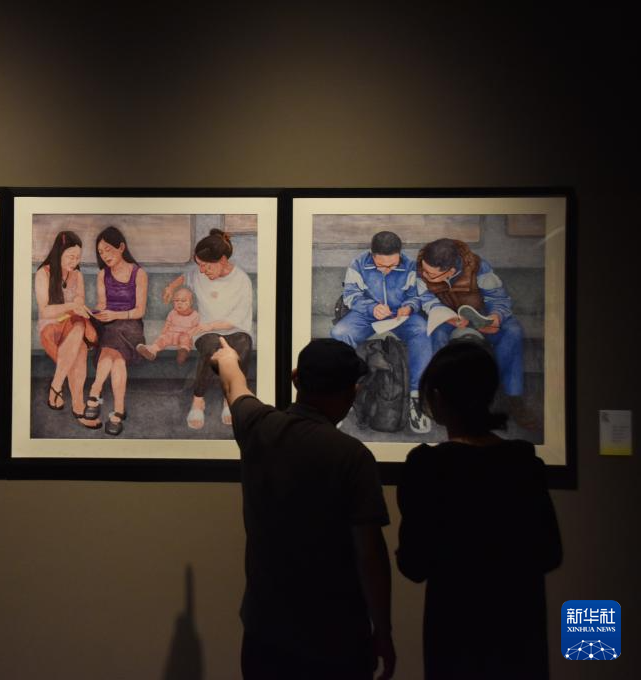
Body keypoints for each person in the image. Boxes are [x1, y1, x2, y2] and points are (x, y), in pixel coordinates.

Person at [212, 336, 396, 680]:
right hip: (335, 636)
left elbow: (233, 384)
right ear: (352, 393)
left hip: (265, 630)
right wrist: (383, 630)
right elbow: (370, 553)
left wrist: (226, 357)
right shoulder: (352, 456)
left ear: (296, 378)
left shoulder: (257, 426)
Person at [396, 342, 561, 680]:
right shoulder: (523, 463)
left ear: (437, 398)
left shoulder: (428, 467)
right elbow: (549, 554)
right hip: (519, 629)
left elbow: (414, 564)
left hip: (456, 631)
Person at [415, 237, 537, 429]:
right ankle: (437, 395)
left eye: (431, 274)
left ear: (450, 271)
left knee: (512, 331)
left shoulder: (479, 268)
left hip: (481, 315)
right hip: (447, 318)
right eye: (424, 270)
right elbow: (426, 299)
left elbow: (498, 299)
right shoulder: (422, 267)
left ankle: (509, 395)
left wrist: (495, 317)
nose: (424, 275)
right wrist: (444, 314)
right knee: (436, 335)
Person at [331, 230, 433, 434]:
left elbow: (417, 295)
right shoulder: (358, 264)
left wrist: (409, 307)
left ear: (400, 254)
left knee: (423, 330)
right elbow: (350, 295)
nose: (387, 270)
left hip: (400, 315)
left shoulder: (411, 265)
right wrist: (371, 308)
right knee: (339, 332)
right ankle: (343, 395)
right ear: (372, 254)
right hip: (367, 315)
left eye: (393, 265)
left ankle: (416, 398)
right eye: (381, 266)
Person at [162, 229, 253, 430]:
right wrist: (170, 287)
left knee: (243, 345)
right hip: (205, 332)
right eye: (199, 265)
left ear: (222, 260)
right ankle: (198, 400)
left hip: (234, 328)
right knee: (212, 347)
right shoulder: (199, 274)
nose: (202, 271)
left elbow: (237, 318)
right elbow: (185, 277)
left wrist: (210, 325)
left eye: (206, 265)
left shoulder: (241, 280)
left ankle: (230, 398)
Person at [83, 226, 147, 436]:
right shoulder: (103, 274)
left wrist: (115, 315)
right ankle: (118, 411)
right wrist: (95, 313)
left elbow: (140, 311)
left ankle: (95, 391)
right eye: (101, 252)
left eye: (108, 250)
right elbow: (102, 304)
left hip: (131, 325)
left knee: (112, 344)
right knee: (116, 358)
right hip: (108, 324)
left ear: (121, 247)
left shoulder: (139, 273)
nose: (104, 255)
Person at [33, 230, 99, 429]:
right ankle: (78, 408)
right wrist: (71, 306)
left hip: (72, 325)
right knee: (78, 341)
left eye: (78, 257)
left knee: (79, 334)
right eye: (71, 256)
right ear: (58, 252)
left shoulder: (77, 274)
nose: (75, 261)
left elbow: (80, 299)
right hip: (51, 328)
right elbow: (45, 311)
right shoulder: (43, 273)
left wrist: (78, 305)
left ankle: (57, 386)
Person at [135, 286, 200, 364]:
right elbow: (167, 324)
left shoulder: (195, 315)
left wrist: (190, 334)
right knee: (162, 339)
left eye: (183, 301)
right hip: (171, 334)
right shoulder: (172, 313)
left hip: (184, 334)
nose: (179, 303)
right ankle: (152, 351)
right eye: (176, 300)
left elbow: (196, 328)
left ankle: (183, 352)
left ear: (191, 302)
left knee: (185, 340)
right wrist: (163, 333)